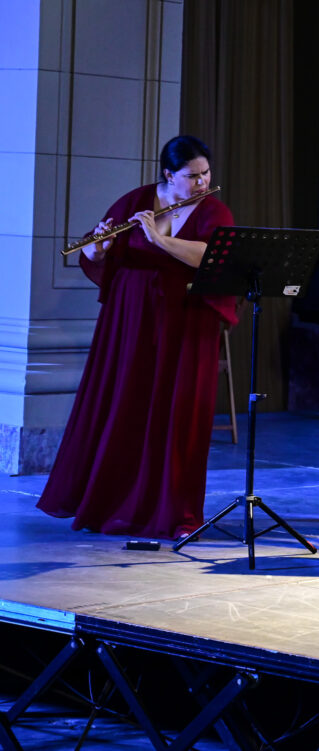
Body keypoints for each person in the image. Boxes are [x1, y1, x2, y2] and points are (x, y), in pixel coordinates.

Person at [37, 135, 236, 539]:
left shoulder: (215, 210)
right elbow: (93, 256)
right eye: (192, 176)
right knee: (124, 401)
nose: (201, 182)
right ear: (168, 175)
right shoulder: (135, 201)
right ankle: (110, 502)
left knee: (179, 412)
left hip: (187, 319)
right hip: (131, 318)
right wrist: (100, 249)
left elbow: (210, 256)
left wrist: (161, 241)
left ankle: (176, 513)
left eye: (205, 174)